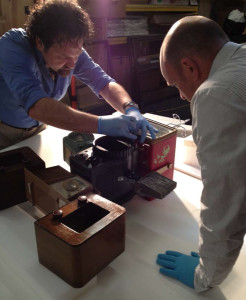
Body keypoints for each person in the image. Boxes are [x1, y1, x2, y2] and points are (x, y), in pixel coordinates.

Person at [156, 15, 246, 292]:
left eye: (175, 84)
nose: (182, 96)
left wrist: (207, 272)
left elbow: (224, 196)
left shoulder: (214, 94)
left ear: (189, 67)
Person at [0, 0, 156, 150]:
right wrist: (101, 124)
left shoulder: (70, 49)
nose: (72, 64)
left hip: (39, 129)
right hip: (5, 133)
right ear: (39, 42)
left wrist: (130, 107)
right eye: (62, 57)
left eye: (75, 56)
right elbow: (37, 106)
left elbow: (103, 82)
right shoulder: (13, 48)